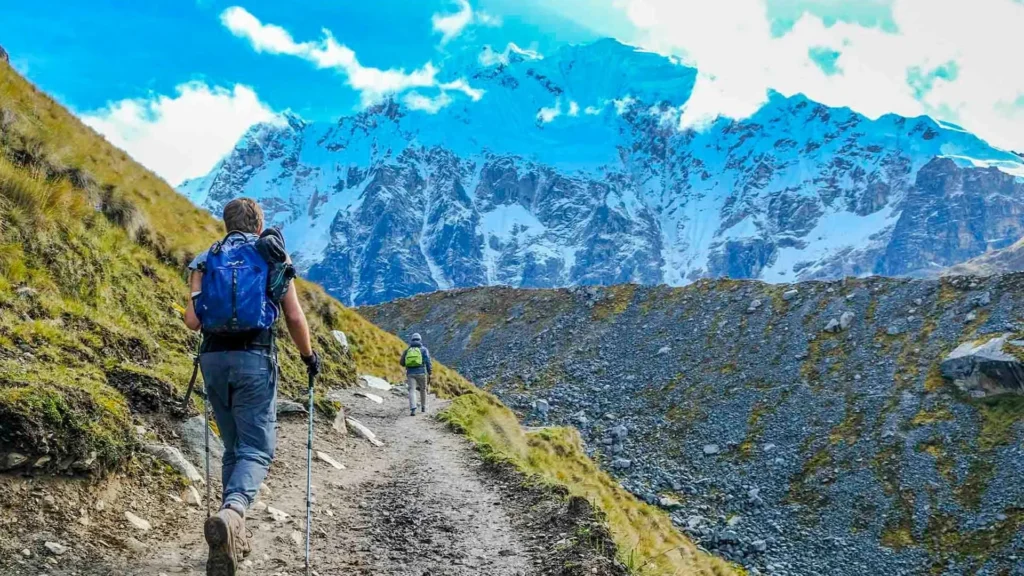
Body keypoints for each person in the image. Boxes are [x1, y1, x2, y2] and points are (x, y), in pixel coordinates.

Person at [183, 197, 321, 576]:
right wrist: (309, 357)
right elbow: (293, 315)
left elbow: (193, 322)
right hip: (254, 359)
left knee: (233, 447)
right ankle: (233, 512)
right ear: (258, 225)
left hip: (212, 361)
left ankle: (234, 537)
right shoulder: (270, 255)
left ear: (226, 224)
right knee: (258, 450)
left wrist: (197, 287)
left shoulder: (205, 259)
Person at [399, 333, 432, 416]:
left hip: (410, 373)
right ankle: (423, 407)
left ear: (412, 340)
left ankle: (413, 409)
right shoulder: (424, 350)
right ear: (420, 340)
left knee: (412, 390)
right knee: (423, 389)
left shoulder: (407, 350)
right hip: (421, 373)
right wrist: (429, 371)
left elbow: (402, 363)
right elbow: (428, 361)